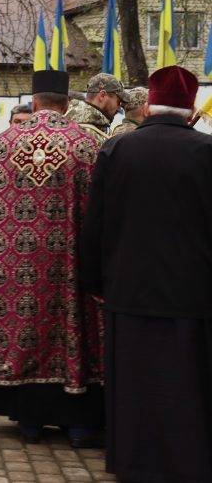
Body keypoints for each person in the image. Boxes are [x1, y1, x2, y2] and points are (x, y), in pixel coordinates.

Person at [81, 66, 212, 481]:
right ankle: (190, 460)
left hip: (128, 288)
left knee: (133, 381)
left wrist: (94, 283)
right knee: (188, 380)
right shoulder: (207, 153)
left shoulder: (117, 151)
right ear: (190, 105)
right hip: (193, 293)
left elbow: (95, 223)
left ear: (150, 102)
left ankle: (132, 460)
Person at [0, 70, 104, 447]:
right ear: (67, 104)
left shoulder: (4, 144)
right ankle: (78, 423)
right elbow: (100, 212)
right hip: (69, 266)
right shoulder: (84, 145)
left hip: (14, 266)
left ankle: (29, 421)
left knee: (23, 327)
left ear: (34, 102)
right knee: (69, 331)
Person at [67, 73, 126, 144]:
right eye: (118, 101)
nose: (120, 107)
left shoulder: (68, 120)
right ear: (102, 96)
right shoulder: (89, 133)